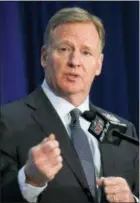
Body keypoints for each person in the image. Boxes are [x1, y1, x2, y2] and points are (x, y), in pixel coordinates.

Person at [0, 7, 139, 203]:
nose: (75, 61)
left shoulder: (123, 132)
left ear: (98, 65)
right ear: (44, 56)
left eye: (86, 52)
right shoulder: (7, 122)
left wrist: (132, 200)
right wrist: (29, 181)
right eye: (64, 49)